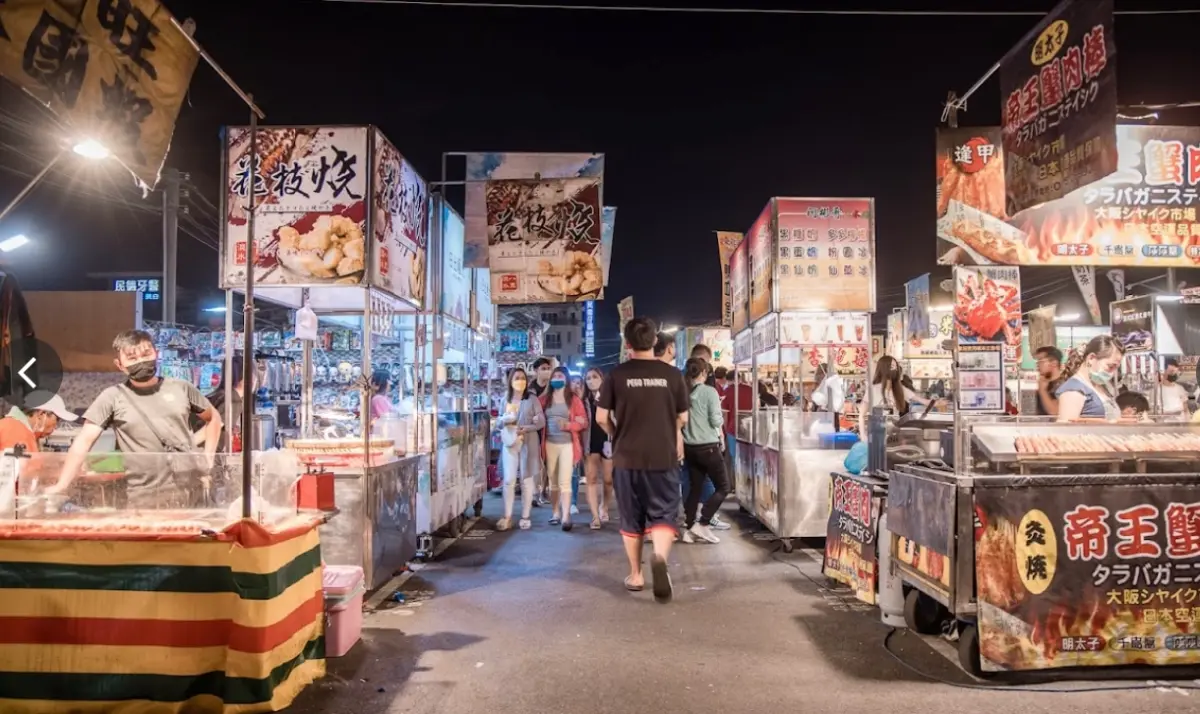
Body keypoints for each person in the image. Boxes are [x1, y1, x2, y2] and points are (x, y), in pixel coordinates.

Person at [49, 330, 223, 507]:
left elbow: (214, 418)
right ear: (120, 365)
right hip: (144, 497)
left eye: (146, 354)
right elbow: (83, 441)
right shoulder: (112, 397)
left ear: (156, 353)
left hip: (191, 492)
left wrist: (208, 457)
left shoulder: (182, 388)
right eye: (132, 358)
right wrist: (62, 485)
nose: (140, 361)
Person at [598, 317, 690, 603]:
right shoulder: (673, 376)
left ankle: (636, 575)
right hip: (663, 455)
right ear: (654, 342)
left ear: (627, 345)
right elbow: (682, 418)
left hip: (627, 457)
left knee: (631, 518)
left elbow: (601, 417)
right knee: (664, 513)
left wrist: (615, 434)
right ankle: (660, 557)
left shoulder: (616, 375)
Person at [680, 358, 730, 545]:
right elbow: (716, 421)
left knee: (695, 488)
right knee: (724, 486)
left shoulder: (683, 391)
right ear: (703, 373)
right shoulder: (710, 392)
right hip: (708, 446)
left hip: (689, 447)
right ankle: (704, 522)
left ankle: (689, 528)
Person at [539, 366, 588, 531]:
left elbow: (583, 422)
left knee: (565, 481)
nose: (557, 378)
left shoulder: (574, 400)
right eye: (555, 375)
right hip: (549, 444)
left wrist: (568, 425)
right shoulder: (544, 400)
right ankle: (555, 512)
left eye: (561, 375)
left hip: (568, 444)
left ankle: (566, 515)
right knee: (553, 482)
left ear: (566, 379)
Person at [495, 368, 543, 531]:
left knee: (526, 480)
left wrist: (527, 428)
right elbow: (498, 423)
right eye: (517, 378)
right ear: (510, 380)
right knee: (508, 480)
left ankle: (525, 516)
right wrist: (502, 421)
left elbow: (540, 422)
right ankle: (507, 516)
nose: (520, 381)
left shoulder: (532, 399)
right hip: (509, 443)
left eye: (523, 378)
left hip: (527, 443)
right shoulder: (505, 400)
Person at [1055, 335, 1123, 422]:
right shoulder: (1073, 391)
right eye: (1110, 366)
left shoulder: (1103, 386)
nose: (1113, 372)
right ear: (1091, 358)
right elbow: (1066, 431)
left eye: (1116, 367)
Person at [582, 367, 615, 529]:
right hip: (590, 442)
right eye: (588, 378)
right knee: (591, 479)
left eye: (594, 377)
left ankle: (604, 506)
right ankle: (595, 516)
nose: (591, 381)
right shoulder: (583, 399)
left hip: (607, 440)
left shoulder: (609, 397)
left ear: (602, 379)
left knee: (608, 480)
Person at [196, 358, 249, 452]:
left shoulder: (219, 395)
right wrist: (189, 444)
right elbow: (213, 426)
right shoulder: (233, 401)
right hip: (204, 455)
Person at [0, 392, 78, 454]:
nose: (55, 427)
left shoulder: (13, 425)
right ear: (41, 414)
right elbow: (20, 471)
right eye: (57, 419)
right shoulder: (16, 432)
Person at [528, 357, 554, 505]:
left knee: (547, 460)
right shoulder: (530, 388)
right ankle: (534, 492)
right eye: (543, 368)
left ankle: (544, 490)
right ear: (536, 370)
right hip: (533, 429)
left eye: (548, 368)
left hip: (549, 428)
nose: (546, 371)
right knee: (535, 461)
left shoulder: (553, 387)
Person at [1034, 346, 1064, 416]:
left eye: (1041, 361)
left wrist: (1042, 391)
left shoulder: (1063, 386)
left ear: (1054, 363)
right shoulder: (1044, 384)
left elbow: (1054, 411)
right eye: (1037, 362)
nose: (1038, 365)